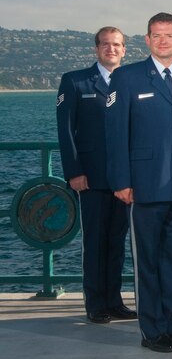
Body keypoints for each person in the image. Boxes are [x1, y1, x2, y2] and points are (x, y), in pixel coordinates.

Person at [106, 12, 172, 353]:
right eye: (156, 35)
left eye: (169, 35)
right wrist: (121, 180)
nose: (163, 41)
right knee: (147, 260)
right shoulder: (127, 77)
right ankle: (152, 330)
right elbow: (115, 134)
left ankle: (171, 322)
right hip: (145, 185)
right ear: (147, 40)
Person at [56, 26, 135, 324]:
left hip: (123, 179)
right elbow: (66, 132)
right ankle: (95, 303)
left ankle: (114, 301)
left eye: (116, 45)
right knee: (96, 242)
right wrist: (74, 172)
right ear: (96, 48)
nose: (111, 49)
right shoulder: (75, 81)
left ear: (125, 50)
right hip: (91, 178)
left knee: (117, 241)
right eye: (105, 44)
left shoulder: (129, 81)